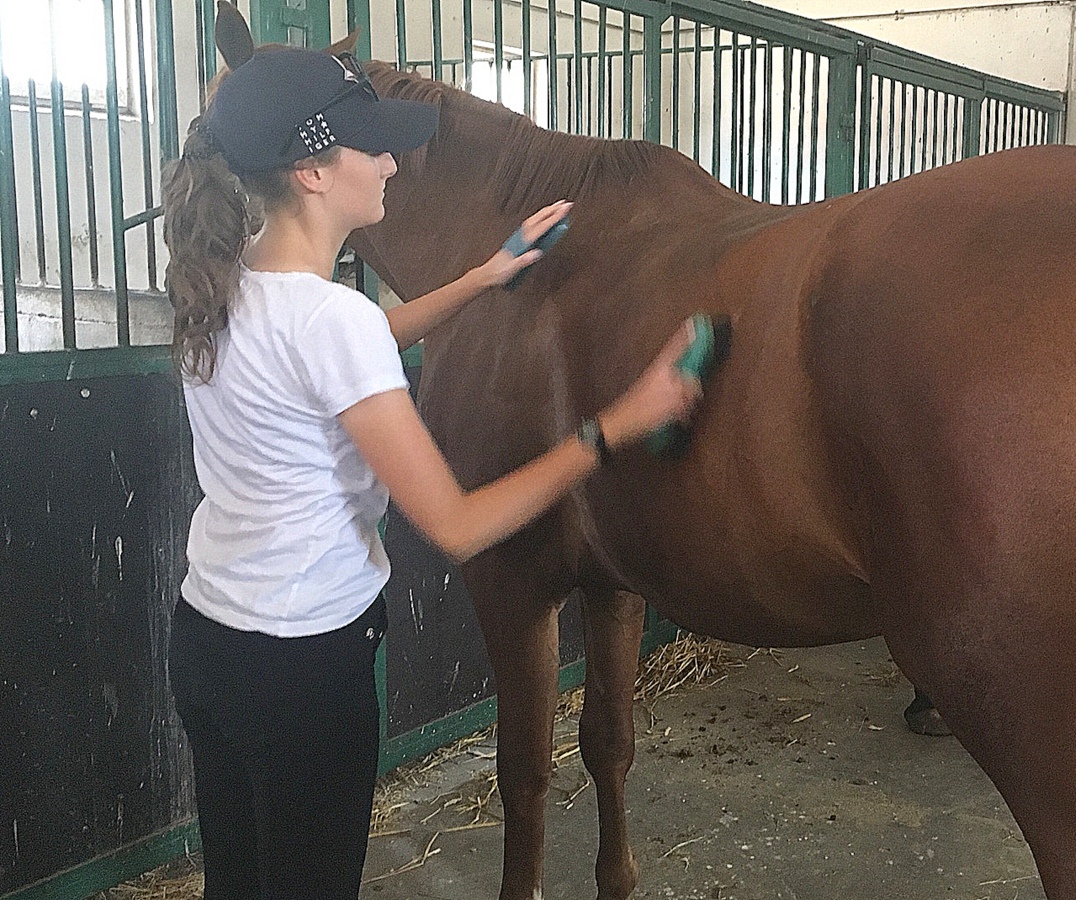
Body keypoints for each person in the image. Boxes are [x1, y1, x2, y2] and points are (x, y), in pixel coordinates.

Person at [161, 47, 701, 899]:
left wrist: (485, 276)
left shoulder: (223, 285)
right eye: (371, 145)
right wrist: (617, 425)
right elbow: (458, 525)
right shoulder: (331, 321)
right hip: (304, 672)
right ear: (311, 170)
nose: (390, 163)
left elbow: (346, 352)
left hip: (209, 641)